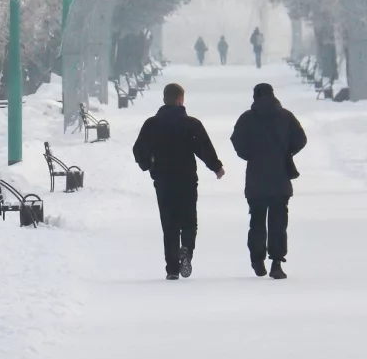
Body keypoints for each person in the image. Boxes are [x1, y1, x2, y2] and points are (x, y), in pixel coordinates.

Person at [132, 82, 225, 280]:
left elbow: (138, 150)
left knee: (169, 223)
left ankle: (172, 268)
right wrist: (216, 167)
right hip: (187, 180)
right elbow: (204, 148)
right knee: (189, 220)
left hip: (163, 180)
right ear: (181, 100)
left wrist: (148, 164)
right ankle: (186, 250)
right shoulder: (191, 124)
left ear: (165, 99)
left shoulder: (152, 124)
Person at [229, 82, 307, 279]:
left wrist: (250, 155)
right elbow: (301, 139)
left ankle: (257, 259)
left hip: (256, 178)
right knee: (278, 221)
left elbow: (237, 142)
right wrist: (287, 152)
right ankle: (277, 262)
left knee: (257, 219)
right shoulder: (286, 116)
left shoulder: (247, 118)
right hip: (280, 178)